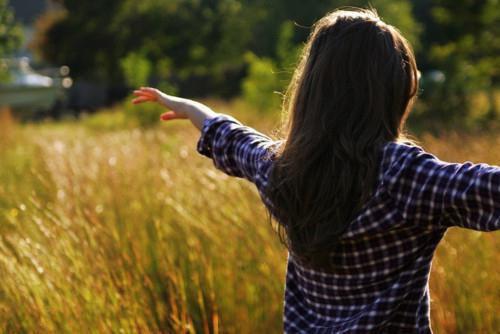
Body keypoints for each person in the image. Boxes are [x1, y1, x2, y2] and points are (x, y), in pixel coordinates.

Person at [132, 8, 499, 334]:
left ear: (312, 88)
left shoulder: (283, 168)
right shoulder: (405, 175)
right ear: (395, 92)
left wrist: (190, 107)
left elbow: (231, 138)